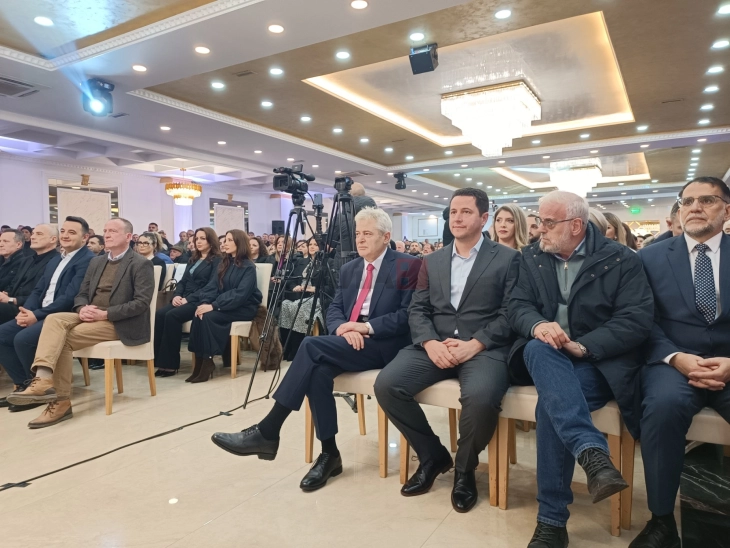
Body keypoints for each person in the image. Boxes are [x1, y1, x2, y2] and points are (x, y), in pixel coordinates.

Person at [212, 208, 421, 491]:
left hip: (384, 344)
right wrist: (343, 328)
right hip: (349, 341)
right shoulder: (350, 268)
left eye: (367, 234)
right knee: (318, 372)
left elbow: (407, 315)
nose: (360, 239)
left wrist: (365, 328)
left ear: (386, 237)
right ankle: (329, 454)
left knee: (310, 345)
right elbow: (334, 308)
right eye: (358, 234)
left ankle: (269, 430)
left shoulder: (407, 265)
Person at [507, 190, 654, 548]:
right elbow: (516, 305)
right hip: (544, 354)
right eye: (539, 220)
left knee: (551, 406)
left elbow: (635, 320)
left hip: (598, 361)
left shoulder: (621, 259)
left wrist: (584, 346)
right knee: (538, 348)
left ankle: (551, 521)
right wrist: (538, 325)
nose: (540, 229)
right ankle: (592, 454)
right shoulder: (530, 257)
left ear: (576, 225)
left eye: (548, 222)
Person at [375, 188, 520, 513]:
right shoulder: (432, 260)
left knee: (481, 397)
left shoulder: (508, 259)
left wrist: (476, 343)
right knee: (387, 384)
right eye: (453, 211)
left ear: (484, 218)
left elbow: (511, 313)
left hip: (483, 347)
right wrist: (429, 342)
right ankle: (432, 456)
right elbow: (417, 309)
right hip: (435, 344)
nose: (457, 217)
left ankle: (465, 470)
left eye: (466, 212)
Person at [631, 177, 730, 548]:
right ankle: (661, 521)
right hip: (672, 360)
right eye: (687, 201)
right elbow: (642, 319)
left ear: (727, 210)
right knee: (662, 408)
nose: (695, 207)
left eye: (707, 200)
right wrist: (675, 357)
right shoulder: (650, 258)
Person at [7, 218, 154, 428]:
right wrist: (82, 307)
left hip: (118, 321)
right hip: (90, 314)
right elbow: (82, 293)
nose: (107, 234)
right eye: (105, 230)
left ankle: (61, 402)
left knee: (63, 339)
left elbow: (141, 303)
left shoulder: (140, 263)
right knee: (54, 319)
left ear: (129, 236)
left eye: (113, 231)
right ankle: (43, 378)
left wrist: (104, 314)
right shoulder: (97, 262)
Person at [0, 217, 93, 411]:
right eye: (63, 231)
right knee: (2, 335)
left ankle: (40, 391)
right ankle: (24, 385)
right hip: (40, 312)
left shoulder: (87, 260)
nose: (65, 235)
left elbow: (70, 297)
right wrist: (27, 311)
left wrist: (37, 315)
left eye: (72, 232)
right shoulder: (56, 259)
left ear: (85, 238)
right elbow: (38, 290)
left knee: (23, 339)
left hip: (62, 315)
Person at [186, 230, 262, 383]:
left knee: (208, 317)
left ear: (239, 243)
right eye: (225, 240)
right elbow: (212, 287)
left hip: (243, 308)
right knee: (199, 314)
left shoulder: (248, 267)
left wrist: (214, 306)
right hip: (225, 304)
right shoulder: (224, 263)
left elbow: (240, 294)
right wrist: (205, 302)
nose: (224, 243)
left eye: (229, 240)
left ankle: (208, 361)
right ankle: (200, 360)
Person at [154, 227, 221, 378]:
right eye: (197, 239)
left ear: (211, 241)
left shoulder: (217, 260)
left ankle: (170, 364)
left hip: (200, 299)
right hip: (184, 297)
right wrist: (177, 295)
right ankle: (160, 361)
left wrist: (188, 299)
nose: (198, 241)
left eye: (203, 238)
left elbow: (211, 285)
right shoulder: (193, 258)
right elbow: (183, 281)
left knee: (172, 316)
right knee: (160, 314)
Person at [0, 225, 60, 324]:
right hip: (13, 304)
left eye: (39, 234)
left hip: (32, 309)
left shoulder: (57, 261)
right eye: (33, 234)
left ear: (53, 239)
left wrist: (12, 299)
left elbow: (44, 294)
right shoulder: (27, 260)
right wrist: (5, 293)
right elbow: (14, 283)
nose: (33, 237)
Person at [278, 238, 322, 360]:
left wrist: (313, 288)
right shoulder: (302, 261)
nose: (312, 247)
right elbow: (291, 279)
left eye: (315, 245)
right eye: (310, 244)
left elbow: (329, 286)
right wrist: (294, 287)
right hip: (299, 295)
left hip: (316, 297)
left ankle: (297, 349)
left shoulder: (327, 263)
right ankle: (286, 348)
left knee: (298, 306)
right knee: (285, 305)